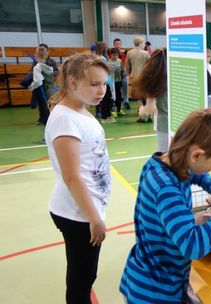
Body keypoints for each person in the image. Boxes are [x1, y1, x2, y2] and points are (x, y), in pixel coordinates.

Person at [119, 108, 211, 303]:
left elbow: (195, 174)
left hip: (148, 277)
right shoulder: (167, 189)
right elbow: (193, 245)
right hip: (154, 293)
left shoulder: (163, 164)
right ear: (196, 156)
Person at [44, 53, 112, 303]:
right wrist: (94, 218)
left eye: (104, 83)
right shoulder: (65, 119)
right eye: (94, 84)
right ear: (72, 82)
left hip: (85, 209)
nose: (101, 90)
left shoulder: (78, 109)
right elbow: (72, 177)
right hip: (78, 213)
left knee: (83, 275)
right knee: (82, 278)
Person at [132, 48, 169, 153]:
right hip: (181, 125)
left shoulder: (157, 80)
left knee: (164, 158)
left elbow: (149, 108)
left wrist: (141, 109)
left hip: (164, 126)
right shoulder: (176, 77)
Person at [28, 46, 57, 126]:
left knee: (46, 111)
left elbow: (38, 81)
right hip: (52, 89)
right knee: (52, 109)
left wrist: (31, 87)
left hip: (43, 91)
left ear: (36, 55)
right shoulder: (49, 66)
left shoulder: (37, 67)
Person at [125, 37, 150, 122]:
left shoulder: (129, 53)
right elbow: (150, 66)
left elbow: (127, 67)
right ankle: (148, 115)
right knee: (146, 96)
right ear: (140, 43)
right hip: (145, 77)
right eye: (143, 43)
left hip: (134, 77)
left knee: (139, 98)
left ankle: (142, 116)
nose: (144, 45)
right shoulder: (146, 53)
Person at [95, 41, 116, 123]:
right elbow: (105, 71)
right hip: (105, 81)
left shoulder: (97, 57)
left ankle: (106, 116)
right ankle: (106, 117)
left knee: (105, 100)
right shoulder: (102, 58)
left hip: (101, 80)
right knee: (106, 100)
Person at [112, 38, 130, 110]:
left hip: (124, 74)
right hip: (115, 75)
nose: (118, 45)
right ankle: (116, 103)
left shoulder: (125, 52)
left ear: (121, 45)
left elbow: (127, 62)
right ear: (114, 45)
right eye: (116, 44)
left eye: (119, 44)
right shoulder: (111, 52)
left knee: (125, 87)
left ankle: (126, 102)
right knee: (116, 89)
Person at [108, 48, 126, 117]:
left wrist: (123, 70)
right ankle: (113, 111)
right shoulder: (108, 62)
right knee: (112, 96)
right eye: (113, 54)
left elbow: (122, 70)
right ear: (111, 55)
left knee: (119, 96)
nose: (115, 56)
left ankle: (119, 110)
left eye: (116, 55)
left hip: (118, 81)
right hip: (111, 82)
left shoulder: (119, 61)